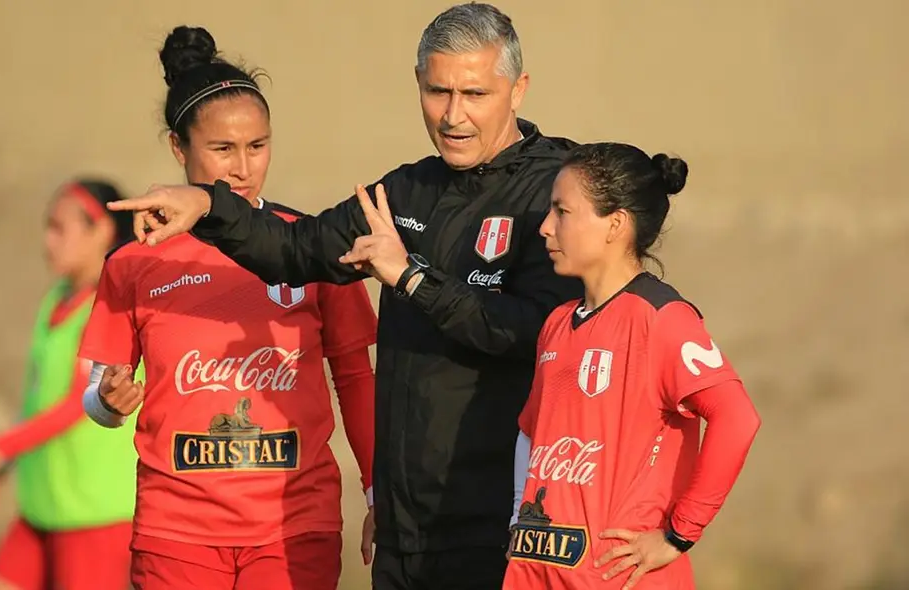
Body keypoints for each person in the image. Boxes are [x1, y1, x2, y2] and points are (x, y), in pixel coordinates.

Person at [107, 4, 586, 588]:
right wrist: (210, 207)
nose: (453, 115)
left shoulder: (558, 191)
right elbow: (295, 249)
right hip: (408, 528)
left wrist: (410, 279)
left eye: (475, 93)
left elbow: (531, 332)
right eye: (438, 92)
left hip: (503, 525)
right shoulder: (408, 190)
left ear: (518, 90)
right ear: (417, 85)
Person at [77, 26, 378, 590]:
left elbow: (357, 377)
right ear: (178, 147)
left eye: (257, 146)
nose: (242, 167)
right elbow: (97, 394)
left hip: (294, 527)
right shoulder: (135, 261)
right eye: (222, 149)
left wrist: (377, 491)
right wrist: (109, 402)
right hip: (176, 532)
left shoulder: (312, 247)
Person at [504, 143, 762, 590]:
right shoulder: (558, 324)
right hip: (536, 574)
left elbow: (737, 418)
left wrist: (679, 534)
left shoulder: (661, 317)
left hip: (619, 580)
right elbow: (531, 431)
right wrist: (517, 519)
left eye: (562, 211)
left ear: (615, 225)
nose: (546, 227)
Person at [0, 179, 140, 590]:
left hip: (93, 514)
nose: (47, 240)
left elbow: (76, 403)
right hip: (40, 506)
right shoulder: (56, 300)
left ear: (102, 230)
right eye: (46, 227)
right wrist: (4, 467)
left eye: (58, 228)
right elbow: (38, 399)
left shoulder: (111, 306)